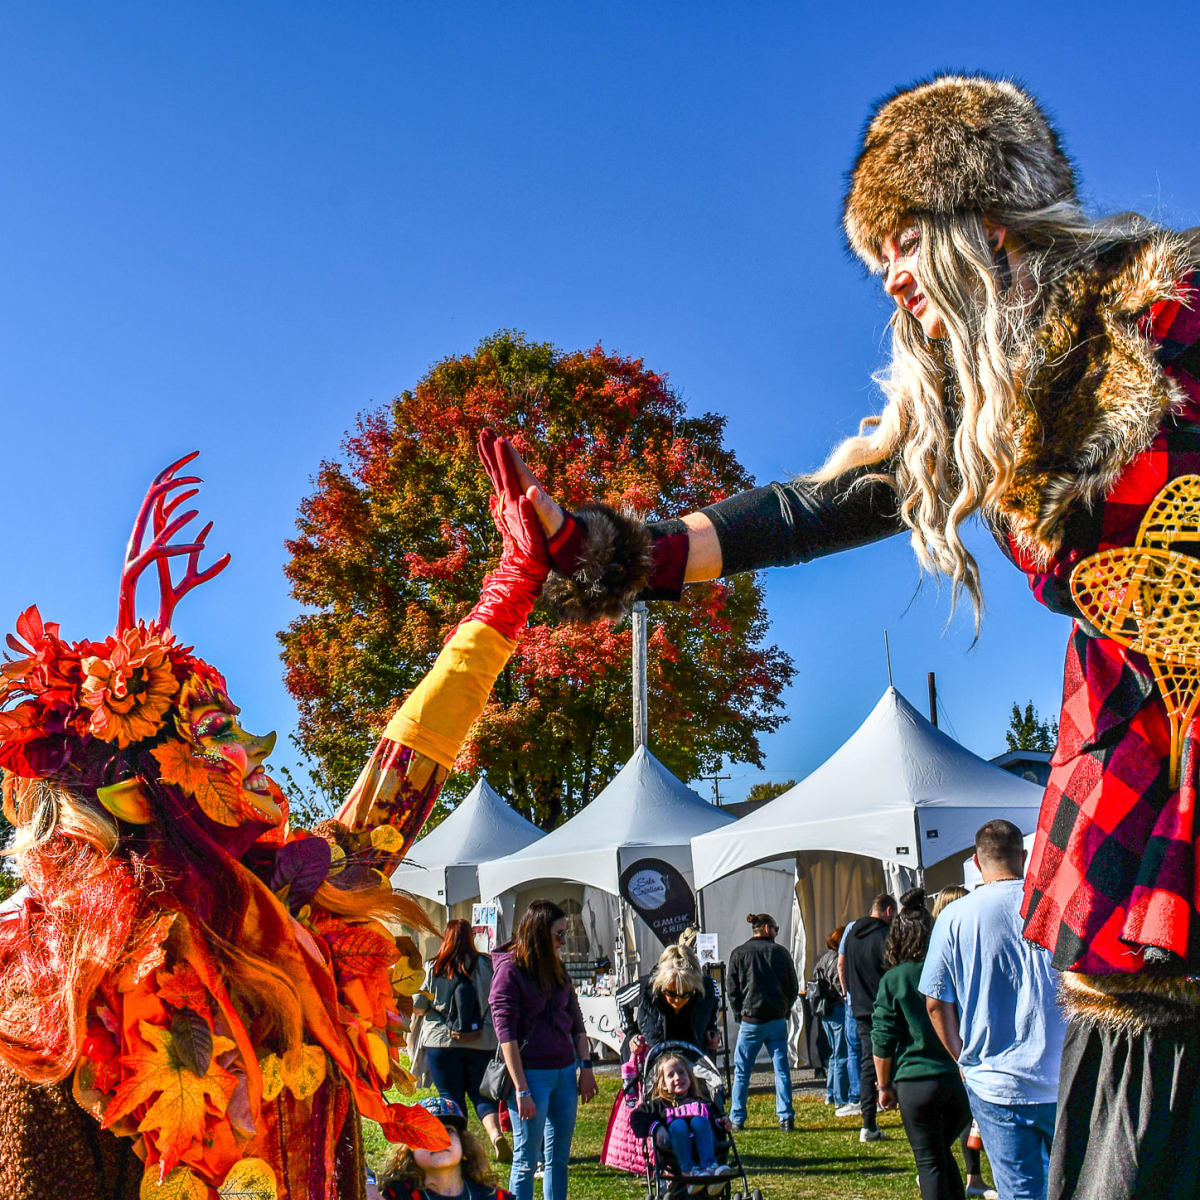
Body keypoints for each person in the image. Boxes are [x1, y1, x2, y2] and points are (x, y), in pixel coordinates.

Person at [480, 71, 1200, 1199]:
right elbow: (825, 504)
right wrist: (625, 548)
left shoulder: (1163, 310)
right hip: (1135, 766)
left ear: (988, 219)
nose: (898, 283)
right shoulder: (978, 404)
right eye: (882, 265)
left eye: (907, 244)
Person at [0, 440, 549, 1200]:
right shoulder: (50, 990)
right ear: (139, 791)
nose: (250, 757)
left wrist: (514, 587)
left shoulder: (291, 910)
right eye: (214, 735)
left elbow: (407, 765)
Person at [921, 821, 1065, 1200]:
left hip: (995, 1079)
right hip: (1062, 1074)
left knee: (1019, 1192)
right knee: (1075, 1183)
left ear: (976, 862)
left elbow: (936, 1001)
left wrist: (960, 1057)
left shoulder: (954, 916)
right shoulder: (1057, 905)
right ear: (1024, 856)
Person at [489, 899, 597, 1200]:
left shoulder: (557, 967)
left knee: (558, 1160)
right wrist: (521, 1089)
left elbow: (575, 1018)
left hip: (564, 1070)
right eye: (558, 934)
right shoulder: (510, 972)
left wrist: (585, 1066)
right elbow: (505, 1035)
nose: (563, 941)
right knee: (525, 1160)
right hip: (531, 1075)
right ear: (538, 932)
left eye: (565, 933)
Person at [873, 888, 972, 1200]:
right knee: (942, 1155)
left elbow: (883, 1037)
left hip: (916, 1080)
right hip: (956, 1077)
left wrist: (883, 1085)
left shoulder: (895, 978)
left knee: (929, 1161)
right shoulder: (950, 968)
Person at [409, 919, 510, 1162]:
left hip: (442, 1043)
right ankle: (496, 1135)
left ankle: (462, 1149)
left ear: (446, 937)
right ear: (470, 938)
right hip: (482, 1041)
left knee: (450, 1097)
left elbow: (418, 1007)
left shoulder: (434, 967)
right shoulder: (486, 965)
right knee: (481, 1096)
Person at [932, 888, 996, 1200]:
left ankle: (967, 1175)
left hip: (950, 1044)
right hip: (960, 1044)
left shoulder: (941, 944)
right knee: (969, 1116)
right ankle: (972, 1175)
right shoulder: (956, 943)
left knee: (961, 1118)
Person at [726, 912, 799, 1132]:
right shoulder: (781, 953)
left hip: (751, 1020)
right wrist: (784, 1009)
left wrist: (740, 1014)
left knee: (742, 1071)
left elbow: (733, 989)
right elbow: (792, 987)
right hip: (776, 1019)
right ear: (768, 929)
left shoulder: (739, 953)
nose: (777, 932)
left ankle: (737, 1118)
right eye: (776, 928)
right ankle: (786, 1117)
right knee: (781, 1069)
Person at [629, 1052, 734, 1197]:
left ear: (690, 1077)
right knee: (678, 1125)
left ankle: (710, 1170)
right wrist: (657, 1128)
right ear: (663, 1084)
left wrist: (722, 1122)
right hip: (674, 1150)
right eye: (671, 1075)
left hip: (706, 1146)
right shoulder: (660, 1106)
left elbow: (716, 1121)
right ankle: (689, 1173)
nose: (677, 1078)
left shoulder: (702, 1103)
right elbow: (636, 1117)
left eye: (681, 1072)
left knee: (699, 1120)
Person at [380, 1096, 514, 1200]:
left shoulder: (492, 1196)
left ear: (463, 1143)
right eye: (424, 1132)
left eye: (448, 1131)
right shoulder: (397, 1195)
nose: (437, 1139)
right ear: (409, 1151)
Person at [841, 893, 896, 1143]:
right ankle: (903, 1107)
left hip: (860, 1006)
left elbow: (842, 965)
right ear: (887, 912)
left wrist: (849, 993)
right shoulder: (884, 937)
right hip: (883, 1006)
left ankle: (868, 1123)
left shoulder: (851, 935)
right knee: (894, 1056)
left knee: (867, 1064)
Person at [636, 944, 721, 1053]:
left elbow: (714, 1007)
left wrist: (712, 1030)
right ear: (661, 985)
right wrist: (631, 1034)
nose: (677, 1000)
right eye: (671, 993)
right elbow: (621, 998)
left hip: (695, 1055)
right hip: (658, 1057)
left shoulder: (707, 988)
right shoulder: (647, 987)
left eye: (685, 994)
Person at [811, 925, 851, 1109]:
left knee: (835, 1054)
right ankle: (841, 1097)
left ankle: (831, 1094)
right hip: (836, 1009)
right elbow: (838, 983)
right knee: (841, 1054)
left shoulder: (823, 958)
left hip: (825, 1011)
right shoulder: (836, 960)